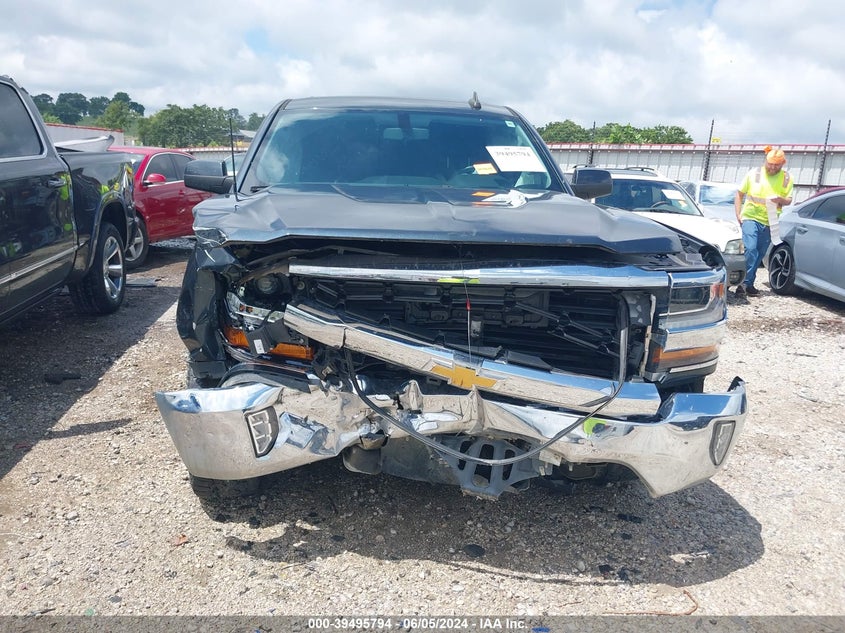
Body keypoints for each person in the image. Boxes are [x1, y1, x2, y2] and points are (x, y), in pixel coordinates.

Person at [734, 146, 793, 296]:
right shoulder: (754, 174)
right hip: (750, 217)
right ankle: (740, 283)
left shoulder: (786, 178)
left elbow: (789, 200)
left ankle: (748, 283)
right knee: (751, 248)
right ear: (765, 160)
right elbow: (739, 194)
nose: (773, 167)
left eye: (776, 165)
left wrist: (780, 199)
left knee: (760, 254)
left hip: (770, 221)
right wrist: (738, 214)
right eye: (770, 164)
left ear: (782, 164)